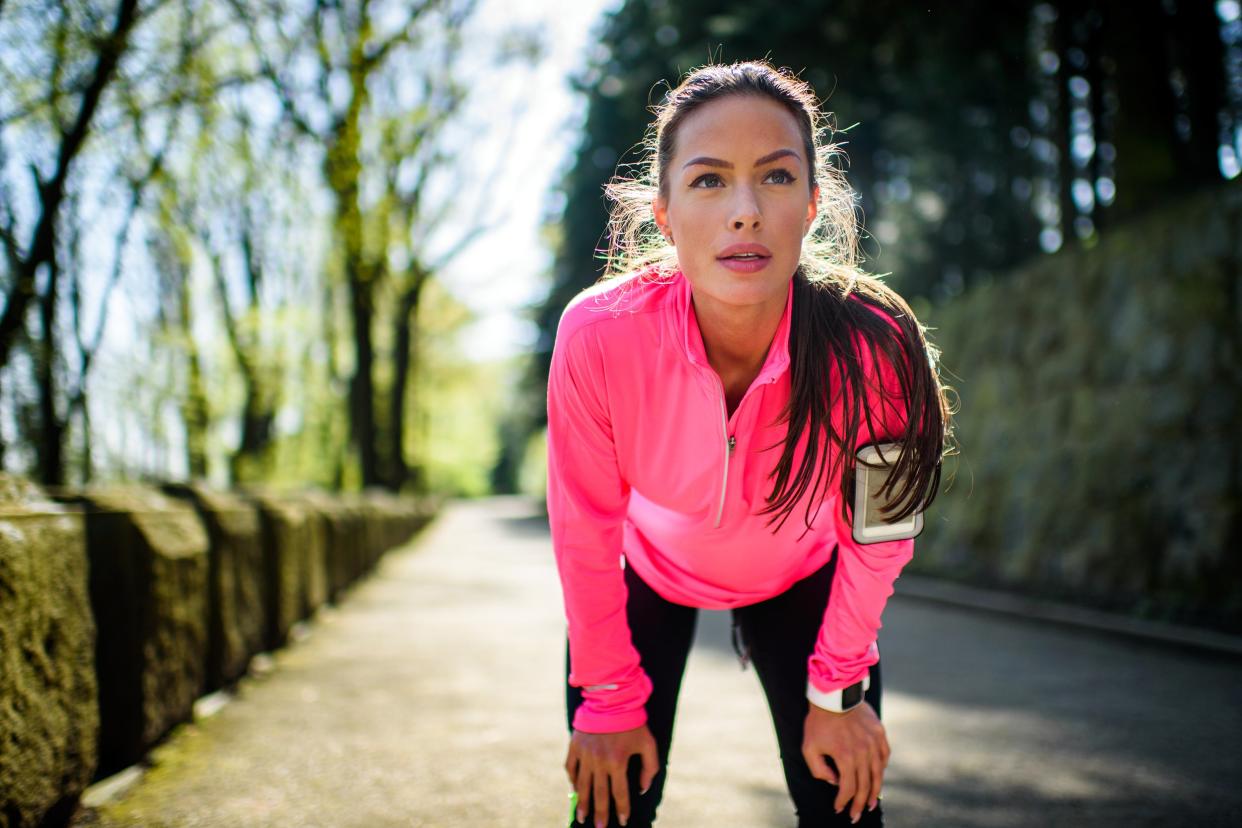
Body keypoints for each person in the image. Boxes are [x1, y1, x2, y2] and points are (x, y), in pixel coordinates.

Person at [546, 59, 955, 828]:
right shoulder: (599, 336)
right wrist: (605, 698)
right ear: (663, 212)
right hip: (646, 580)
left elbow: (880, 535)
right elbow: (585, 529)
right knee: (609, 811)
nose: (744, 211)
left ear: (811, 203)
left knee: (845, 807)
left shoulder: (876, 345)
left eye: (774, 177)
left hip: (806, 583)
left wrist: (837, 693)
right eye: (707, 181)